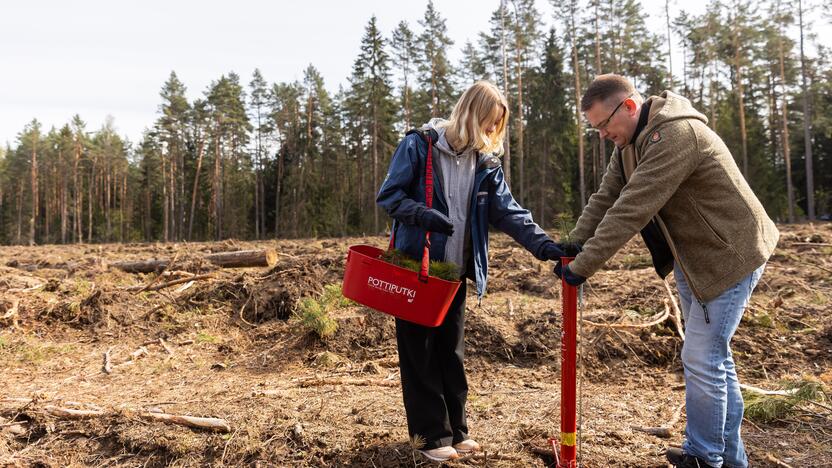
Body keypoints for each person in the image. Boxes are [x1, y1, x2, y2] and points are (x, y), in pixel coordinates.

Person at [556, 74, 779, 468]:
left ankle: (704, 457)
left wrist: (585, 265)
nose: (604, 134)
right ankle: (731, 459)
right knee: (713, 357)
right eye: (596, 129)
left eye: (605, 124)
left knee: (703, 357)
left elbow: (633, 207)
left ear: (628, 105)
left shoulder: (675, 135)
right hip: (693, 258)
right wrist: (575, 241)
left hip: (728, 254)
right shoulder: (628, 143)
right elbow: (608, 195)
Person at [376, 80, 567, 462]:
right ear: (470, 114)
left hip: (455, 273)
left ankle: (457, 431)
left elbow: (508, 212)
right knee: (421, 354)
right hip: (418, 268)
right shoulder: (419, 145)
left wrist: (545, 246)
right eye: (489, 123)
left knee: (451, 351)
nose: (492, 132)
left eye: (497, 126)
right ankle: (430, 437)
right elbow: (390, 196)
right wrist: (424, 215)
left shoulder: (484, 163)